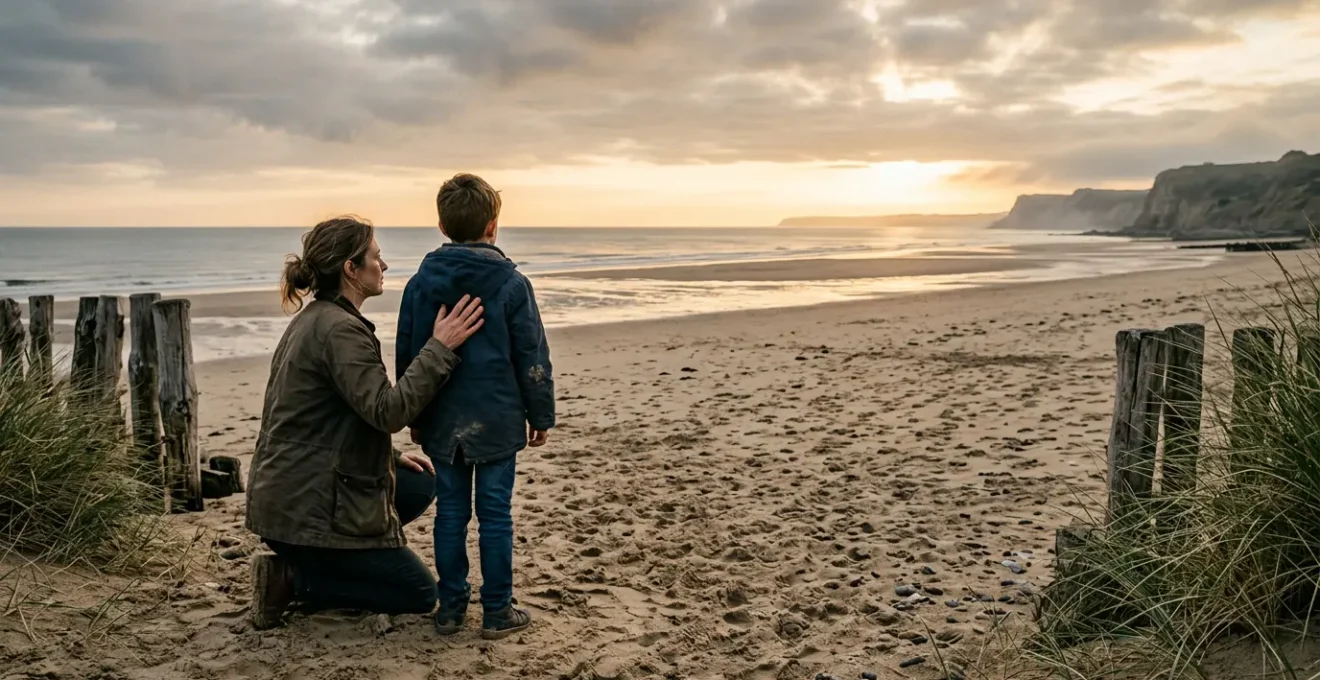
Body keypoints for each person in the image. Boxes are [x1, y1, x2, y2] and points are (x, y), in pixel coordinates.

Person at [245, 215, 485, 630]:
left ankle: (338, 560)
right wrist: (440, 347)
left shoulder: (316, 318)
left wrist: (386, 456)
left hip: (289, 497)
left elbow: (320, 422)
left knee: (417, 482)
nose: (384, 266)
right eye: (376, 257)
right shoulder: (339, 331)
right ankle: (293, 577)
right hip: (302, 508)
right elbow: (388, 411)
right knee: (418, 594)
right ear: (350, 270)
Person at [395, 174, 555, 639]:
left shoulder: (421, 284)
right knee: (495, 514)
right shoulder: (510, 282)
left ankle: (450, 608)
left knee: (450, 512)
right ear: (493, 224)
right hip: (499, 415)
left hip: (442, 417)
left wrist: (415, 417)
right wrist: (540, 414)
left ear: (442, 226)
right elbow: (532, 356)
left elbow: (409, 354)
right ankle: (497, 609)